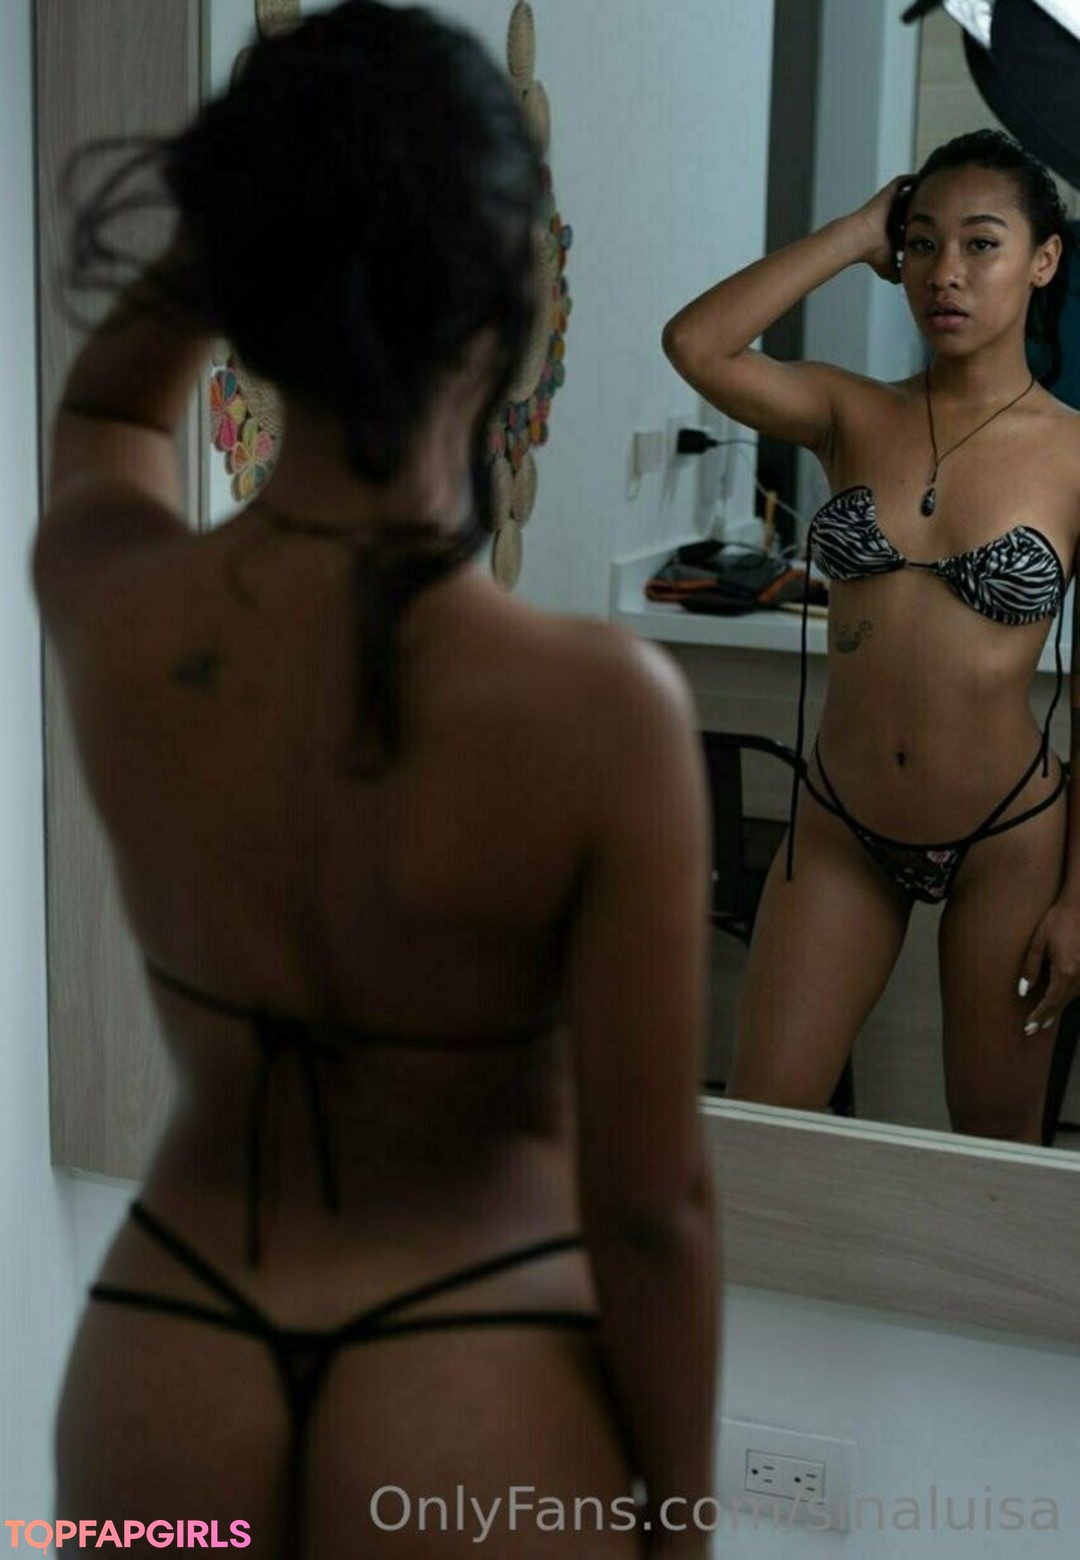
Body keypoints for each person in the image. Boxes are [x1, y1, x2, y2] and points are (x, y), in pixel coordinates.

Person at [37, 5, 716, 1555]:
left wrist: (259, 222)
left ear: (246, 293)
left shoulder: (121, 606)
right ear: (505, 307)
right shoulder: (603, 712)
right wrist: (679, 1527)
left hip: (166, 1370)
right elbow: (650, 1211)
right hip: (466, 1394)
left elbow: (108, 408)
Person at [663, 128, 1080, 1145]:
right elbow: (696, 345)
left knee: (992, 1150)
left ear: (1043, 260)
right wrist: (855, 233)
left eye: (981, 244)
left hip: (1009, 842)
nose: (946, 273)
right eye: (922, 241)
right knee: (764, 1127)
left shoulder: (1075, 453)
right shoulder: (849, 412)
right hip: (842, 825)